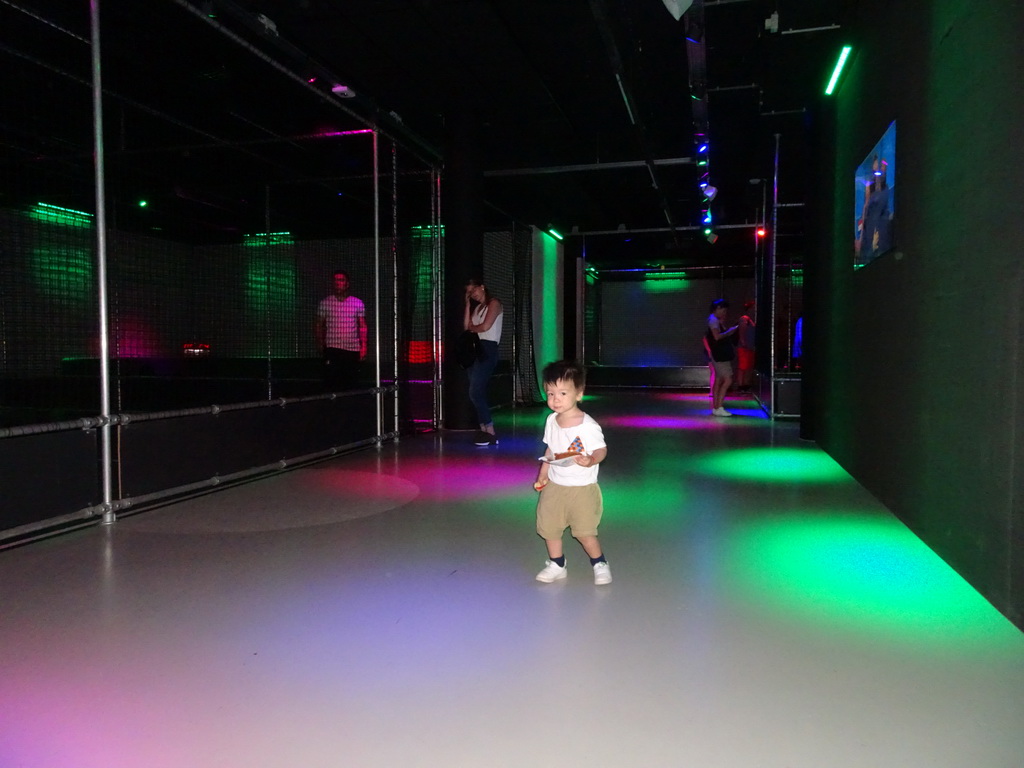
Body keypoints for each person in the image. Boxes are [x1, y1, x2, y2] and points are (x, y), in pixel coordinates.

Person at [533, 360, 611, 585]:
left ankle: (599, 562)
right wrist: (543, 473)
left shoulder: (587, 425)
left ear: (579, 394)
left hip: (582, 489)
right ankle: (557, 563)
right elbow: (551, 449)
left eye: (562, 393)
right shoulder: (551, 420)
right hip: (555, 487)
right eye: (550, 393)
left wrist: (591, 459)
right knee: (549, 527)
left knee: (585, 531)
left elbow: (601, 449)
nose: (555, 399)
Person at [463, 276, 503, 446]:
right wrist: (467, 304)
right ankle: (484, 430)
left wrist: (473, 328)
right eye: (469, 293)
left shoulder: (494, 303)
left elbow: (485, 327)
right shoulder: (478, 308)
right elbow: (466, 327)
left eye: (473, 290)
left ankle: (490, 430)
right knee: (474, 391)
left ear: (482, 287)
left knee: (475, 390)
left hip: (488, 348)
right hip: (476, 349)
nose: (472, 294)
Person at [315, 270, 367, 391]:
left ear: (347, 284)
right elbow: (318, 324)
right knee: (331, 383)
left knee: (351, 383)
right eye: (336, 280)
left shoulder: (357, 303)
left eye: (341, 280)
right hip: (333, 348)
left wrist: (363, 346)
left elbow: (363, 325)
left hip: (352, 349)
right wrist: (320, 343)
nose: (338, 283)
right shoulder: (325, 303)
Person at [706, 299, 738, 416]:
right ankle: (719, 407)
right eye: (723, 310)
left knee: (719, 379)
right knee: (728, 379)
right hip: (720, 355)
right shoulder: (714, 321)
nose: (724, 313)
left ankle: (716, 407)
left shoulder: (712, 320)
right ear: (718, 308)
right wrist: (729, 332)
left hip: (717, 354)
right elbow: (717, 337)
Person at [736, 300, 756, 392]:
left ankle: (746, 384)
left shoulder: (751, 320)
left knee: (748, 366)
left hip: (750, 347)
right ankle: (741, 386)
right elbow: (742, 331)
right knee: (743, 367)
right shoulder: (744, 319)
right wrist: (743, 342)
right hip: (744, 347)